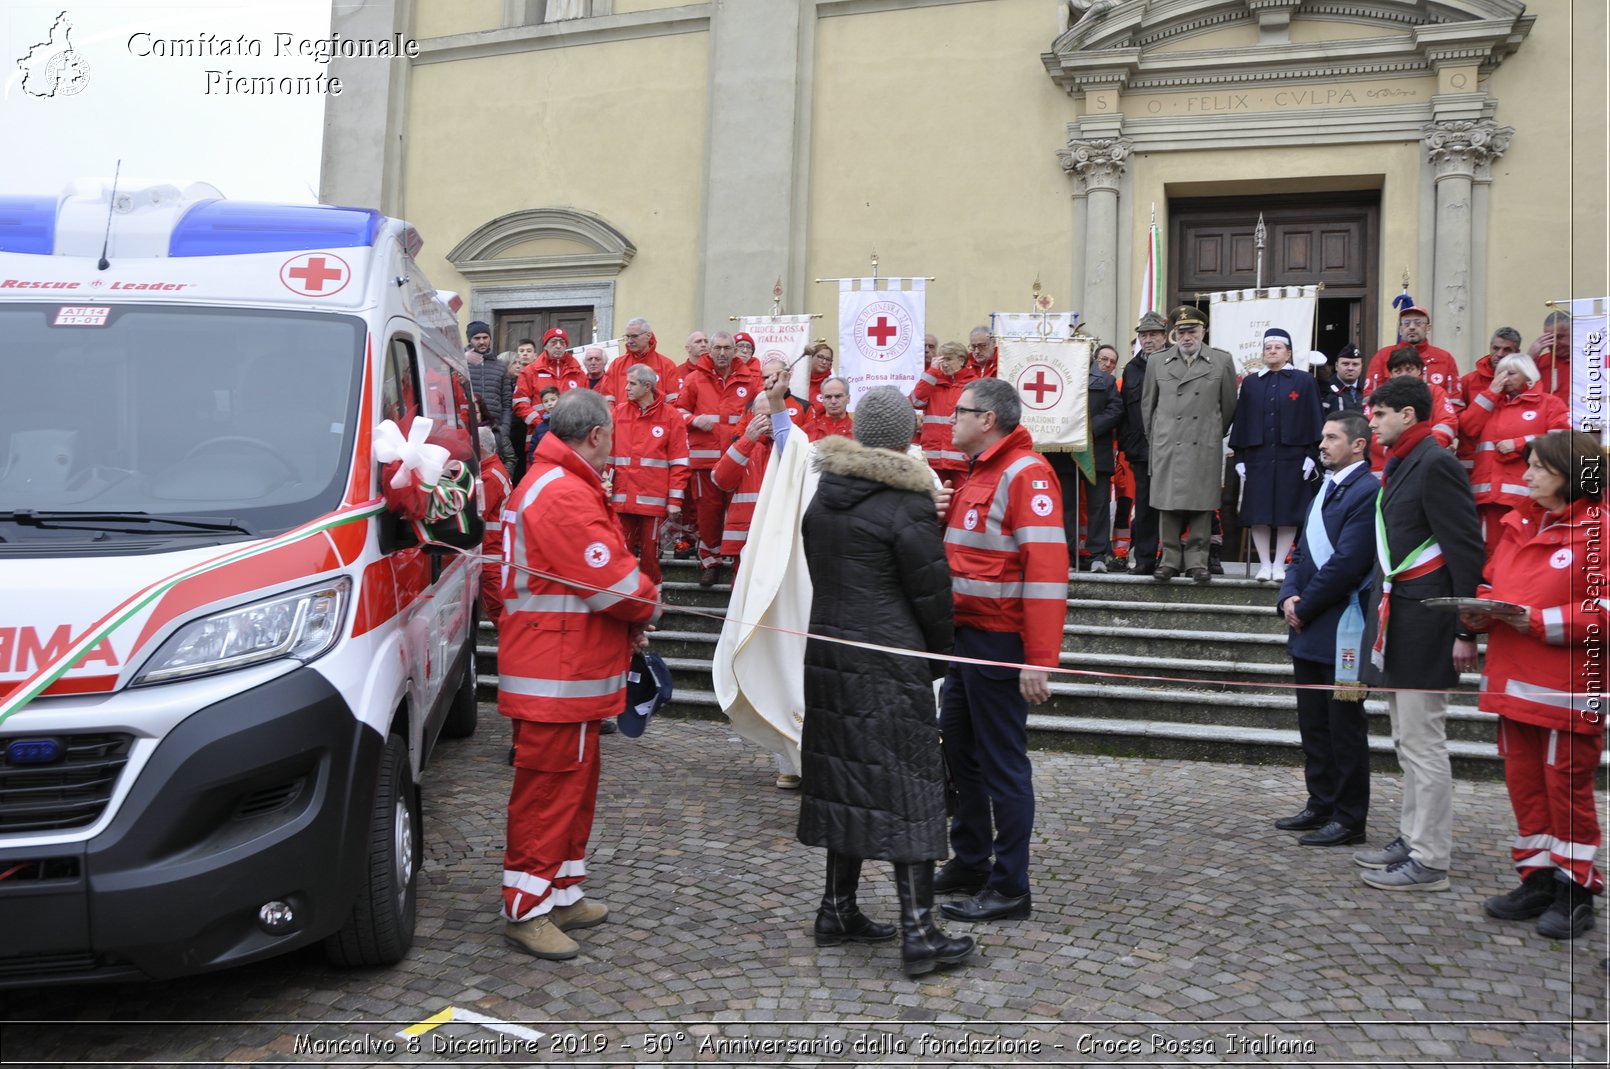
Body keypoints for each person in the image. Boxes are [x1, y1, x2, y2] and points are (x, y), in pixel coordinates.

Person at [796, 387, 974, 977]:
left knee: (846, 777)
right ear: (904, 437)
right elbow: (931, 591)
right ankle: (921, 934)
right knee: (909, 786)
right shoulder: (907, 502)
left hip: (828, 651)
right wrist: (940, 657)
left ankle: (837, 908)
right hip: (888, 659)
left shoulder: (824, 497)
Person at [499, 389, 659, 960]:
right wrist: (645, 604)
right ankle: (526, 908)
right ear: (595, 436)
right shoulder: (563, 492)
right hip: (555, 674)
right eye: (611, 435)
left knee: (574, 787)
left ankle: (562, 891)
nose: (613, 444)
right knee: (547, 793)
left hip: (568, 668)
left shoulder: (559, 483)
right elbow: (611, 581)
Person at [934, 377, 1069, 923]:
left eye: (960, 411)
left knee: (1003, 766)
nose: (951, 418)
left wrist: (1038, 659)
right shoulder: (978, 472)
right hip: (966, 637)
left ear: (987, 419)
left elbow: (1045, 571)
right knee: (960, 750)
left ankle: (1010, 886)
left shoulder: (1026, 473)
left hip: (998, 641)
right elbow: (972, 548)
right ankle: (971, 858)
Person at [1465, 431, 1605, 939]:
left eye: (1538, 468)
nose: (1524, 476)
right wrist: (1478, 613)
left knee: (1566, 793)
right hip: (1512, 683)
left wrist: (1542, 622)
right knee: (1526, 789)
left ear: (1570, 475)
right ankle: (1538, 877)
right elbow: (1493, 582)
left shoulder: (1600, 532)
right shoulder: (1517, 524)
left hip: (1565, 691)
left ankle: (1576, 891)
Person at [1354, 377, 1484, 891]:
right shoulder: (1404, 463)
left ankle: (1431, 859)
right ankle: (1412, 838)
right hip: (1401, 618)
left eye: (1380, 413)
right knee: (1406, 739)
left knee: (1424, 742)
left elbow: (1466, 550)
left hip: (1429, 622)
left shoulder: (1437, 462)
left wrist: (1465, 629)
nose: (1372, 421)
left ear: (1407, 415)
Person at [1273, 411, 1379, 846]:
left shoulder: (1368, 491)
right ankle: (1321, 802)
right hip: (1308, 626)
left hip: (1342, 627)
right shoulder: (1323, 488)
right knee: (1313, 722)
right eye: (1322, 437)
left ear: (1357, 445)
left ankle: (1350, 816)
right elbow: (1299, 554)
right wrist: (1287, 597)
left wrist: (1306, 604)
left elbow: (1348, 562)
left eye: (1332, 438)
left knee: (1344, 725)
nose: (1322, 444)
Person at [1140, 305, 1238, 583]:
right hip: (1169, 442)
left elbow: (1229, 406)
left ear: (1203, 332)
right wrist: (1158, 436)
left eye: (1192, 331)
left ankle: (1197, 561)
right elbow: (1149, 405)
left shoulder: (1221, 361)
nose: (1186, 337)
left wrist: (1210, 432)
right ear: (1174, 334)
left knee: (1202, 504)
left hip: (1203, 442)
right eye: (1181, 332)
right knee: (1166, 502)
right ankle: (1169, 559)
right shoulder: (1158, 362)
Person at [1230, 327, 1324, 582]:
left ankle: (1280, 564)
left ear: (1289, 352)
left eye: (1278, 348)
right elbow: (1242, 421)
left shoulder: (1304, 381)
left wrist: (1311, 454)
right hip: (1257, 457)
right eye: (1268, 348)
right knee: (1258, 512)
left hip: (1292, 457)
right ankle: (1264, 564)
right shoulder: (1251, 383)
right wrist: (1239, 458)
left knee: (1288, 511)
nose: (1272, 351)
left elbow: (1314, 418)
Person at [1457, 353, 1571, 555]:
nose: (1503, 379)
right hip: (1488, 496)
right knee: (1491, 553)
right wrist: (1489, 394)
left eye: (1510, 373)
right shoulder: (1489, 404)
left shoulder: (1548, 404)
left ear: (1528, 376)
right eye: (1499, 374)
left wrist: (1520, 443)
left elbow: (1561, 441)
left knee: (1524, 550)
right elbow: (1467, 428)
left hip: (1529, 496)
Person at [679, 331, 763, 586]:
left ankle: (739, 561)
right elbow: (677, 412)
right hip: (705, 462)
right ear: (710, 351)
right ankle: (710, 562)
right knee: (708, 514)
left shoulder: (749, 380)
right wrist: (693, 420)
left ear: (735, 350)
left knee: (739, 513)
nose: (723, 353)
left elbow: (759, 410)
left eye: (728, 348)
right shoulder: (694, 380)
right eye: (718, 348)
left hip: (738, 461)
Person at [610, 364, 691, 585]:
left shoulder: (671, 416)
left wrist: (675, 501)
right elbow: (608, 456)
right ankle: (623, 601)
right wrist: (603, 487)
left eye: (632, 383)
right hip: (621, 499)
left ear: (647, 386)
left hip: (652, 502)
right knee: (620, 553)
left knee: (649, 557)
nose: (626, 388)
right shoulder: (618, 413)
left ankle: (652, 606)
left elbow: (680, 463)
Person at [1049, 343, 1123, 571]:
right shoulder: (1058, 377)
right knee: (1066, 506)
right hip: (1065, 453)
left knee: (1098, 506)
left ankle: (1098, 555)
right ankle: (1066, 555)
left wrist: (1088, 428)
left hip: (1096, 452)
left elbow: (1116, 410)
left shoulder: (1106, 380)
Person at [1118, 311, 1168, 574]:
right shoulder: (1132, 369)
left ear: (1163, 336)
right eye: (1143, 335)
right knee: (1146, 505)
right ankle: (1146, 558)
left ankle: (1172, 559)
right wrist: (1128, 442)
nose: (1148, 340)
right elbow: (1126, 409)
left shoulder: (1174, 362)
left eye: (1153, 335)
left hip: (1171, 446)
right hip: (1141, 449)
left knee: (1172, 504)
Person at [1362, 305, 1465, 409]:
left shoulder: (1445, 358)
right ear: (1400, 329)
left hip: (1433, 421)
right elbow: (1370, 399)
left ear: (1428, 328)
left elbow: (1454, 402)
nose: (1411, 327)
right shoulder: (1383, 356)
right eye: (1406, 323)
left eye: (1418, 322)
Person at [1457, 327, 1524, 474]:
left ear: (1517, 353)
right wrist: (1491, 393)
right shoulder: (1468, 381)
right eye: (1495, 348)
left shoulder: (1523, 383)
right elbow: (1465, 428)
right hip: (1471, 465)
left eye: (1507, 350)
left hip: (1509, 465)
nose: (1499, 354)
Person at [911, 340, 977, 487]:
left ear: (961, 360)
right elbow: (916, 401)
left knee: (961, 502)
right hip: (933, 459)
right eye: (941, 359)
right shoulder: (933, 381)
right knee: (935, 503)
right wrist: (932, 373)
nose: (944, 364)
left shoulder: (974, 384)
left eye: (948, 359)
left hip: (962, 459)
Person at [513, 329, 585, 443]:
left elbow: (585, 406)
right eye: (554, 342)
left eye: (562, 342)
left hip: (571, 438)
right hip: (539, 437)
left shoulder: (579, 373)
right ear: (545, 346)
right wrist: (540, 424)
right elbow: (519, 403)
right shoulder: (530, 371)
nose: (558, 346)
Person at [464, 321, 515, 473]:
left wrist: (503, 430)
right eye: (477, 338)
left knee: (494, 472)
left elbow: (506, 403)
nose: (482, 341)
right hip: (468, 430)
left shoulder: (500, 366)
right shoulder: (461, 362)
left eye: (485, 337)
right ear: (470, 340)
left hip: (494, 431)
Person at [477, 425, 513, 627]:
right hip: (494, 552)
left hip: (491, 553)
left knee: (499, 611)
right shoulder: (494, 471)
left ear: (479, 447)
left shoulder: (489, 477)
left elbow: (476, 513)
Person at [600, 318, 679, 404]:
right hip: (622, 417)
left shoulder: (666, 365)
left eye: (634, 336)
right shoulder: (617, 364)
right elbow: (607, 399)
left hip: (656, 417)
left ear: (648, 336)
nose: (629, 341)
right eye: (628, 337)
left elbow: (673, 401)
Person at [1528, 310, 1574, 404]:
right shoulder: (1538, 363)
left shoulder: (1591, 360)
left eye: (1560, 337)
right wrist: (1529, 357)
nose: (1555, 343)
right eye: (1550, 338)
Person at [1321, 343, 1366, 417]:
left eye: (1355, 364)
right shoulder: (1325, 391)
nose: (1350, 368)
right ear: (1336, 366)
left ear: (1361, 366)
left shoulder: (1367, 391)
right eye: (1345, 364)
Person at [806, 376, 854, 441]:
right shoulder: (806, 431)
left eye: (838, 396)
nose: (833, 401)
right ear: (822, 400)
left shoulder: (858, 431)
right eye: (828, 397)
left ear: (848, 399)